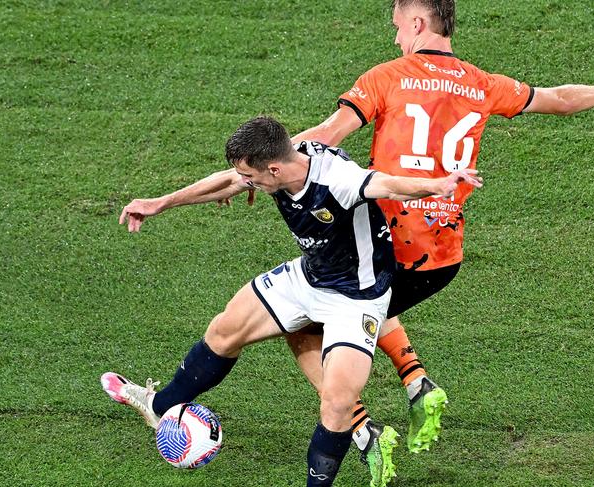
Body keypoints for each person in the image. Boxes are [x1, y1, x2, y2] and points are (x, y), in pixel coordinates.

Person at [283, 0, 594, 473]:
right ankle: (416, 382)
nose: (396, 38)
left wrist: (261, 170)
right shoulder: (482, 83)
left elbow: (326, 136)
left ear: (419, 23)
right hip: (442, 257)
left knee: (308, 325)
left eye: (399, 27)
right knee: (373, 300)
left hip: (387, 243)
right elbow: (561, 99)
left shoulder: (388, 75)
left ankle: (362, 431)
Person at [102, 116, 483, 487]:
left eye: (251, 178)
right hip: (309, 278)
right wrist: (160, 203)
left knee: (336, 405)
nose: (245, 185)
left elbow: (389, 184)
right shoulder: (286, 159)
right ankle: (158, 407)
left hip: (356, 300)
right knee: (223, 331)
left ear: (273, 169)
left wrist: (438, 185)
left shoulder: (337, 179)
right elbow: (225, 182)